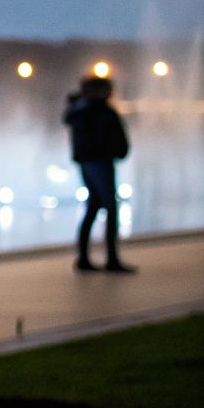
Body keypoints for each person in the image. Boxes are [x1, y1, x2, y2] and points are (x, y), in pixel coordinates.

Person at [62, 75, 134, 274]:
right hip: (99, 161)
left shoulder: (80, 110)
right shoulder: (97, 111)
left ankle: (85, 258)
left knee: (93, 207)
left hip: (89, 162)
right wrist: (115, 150)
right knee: (110, 207)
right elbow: (107, 136)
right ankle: (110, 259)